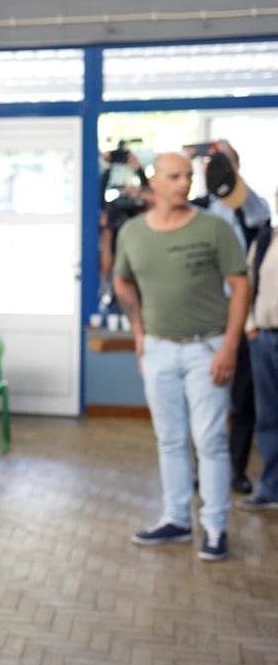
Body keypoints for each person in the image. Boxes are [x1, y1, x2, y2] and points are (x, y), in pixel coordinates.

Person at [114, 152, 248, 562]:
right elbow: (122, 281)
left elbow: (240, 287)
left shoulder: (214, 228)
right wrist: (139, 333)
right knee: (169, 440)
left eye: (188, 175)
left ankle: (215, 526)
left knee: (209, 441)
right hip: (158, 349)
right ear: (153, 183)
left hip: (206, 349)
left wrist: (229, 345)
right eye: (174, 176)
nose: (183, 182)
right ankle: (176, 518)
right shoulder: (132, 233)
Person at [193, 143, 271, 494]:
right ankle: (203, 468)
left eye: (224, 161)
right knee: (204, 396)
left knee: (243, 398)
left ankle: (236, 469)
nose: (217, 167)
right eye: (213, 162)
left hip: (242, 315)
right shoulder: (198, 210)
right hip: (206, 314)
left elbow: (258, 222)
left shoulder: (252, 209)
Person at [237, 185, 278, 513]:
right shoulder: (265, 240)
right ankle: (270, 488)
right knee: (267, 417)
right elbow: (249, 286)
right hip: (263, 340)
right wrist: (250, 327)